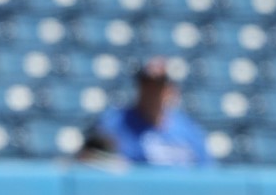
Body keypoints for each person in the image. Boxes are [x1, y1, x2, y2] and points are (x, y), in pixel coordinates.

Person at [80, 58, 211, 167]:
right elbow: (86, 158)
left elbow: (206, 173)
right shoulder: (115, 123)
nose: (151, 92)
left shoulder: (188, 130)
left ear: (171, 90)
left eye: (158, 87)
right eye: (146, 85)